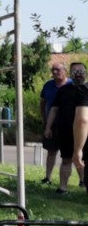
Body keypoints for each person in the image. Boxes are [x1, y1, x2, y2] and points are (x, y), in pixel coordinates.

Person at [43, 62, 86, 194]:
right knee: (66, 159)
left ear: (85, 72)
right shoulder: (63, 90)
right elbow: (54, 110)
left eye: (80, 71)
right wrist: (48, 127)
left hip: (85, 133)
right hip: (66, 131)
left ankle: (83, 183)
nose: (78, 73)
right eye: (75, 71)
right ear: (70, 72)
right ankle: (63, 188)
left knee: (84, 159)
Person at [39, 62, 71, 184]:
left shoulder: (72, 85)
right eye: (52, 70)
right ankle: (48, 178)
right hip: (50, 125)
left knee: (69, 155)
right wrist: (44, 119)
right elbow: (42, 103)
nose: (54, 72)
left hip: (69, 126)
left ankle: (82, 181)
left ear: (65, 70)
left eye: (57, 69)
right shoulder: (48, 85)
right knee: (51, 151)